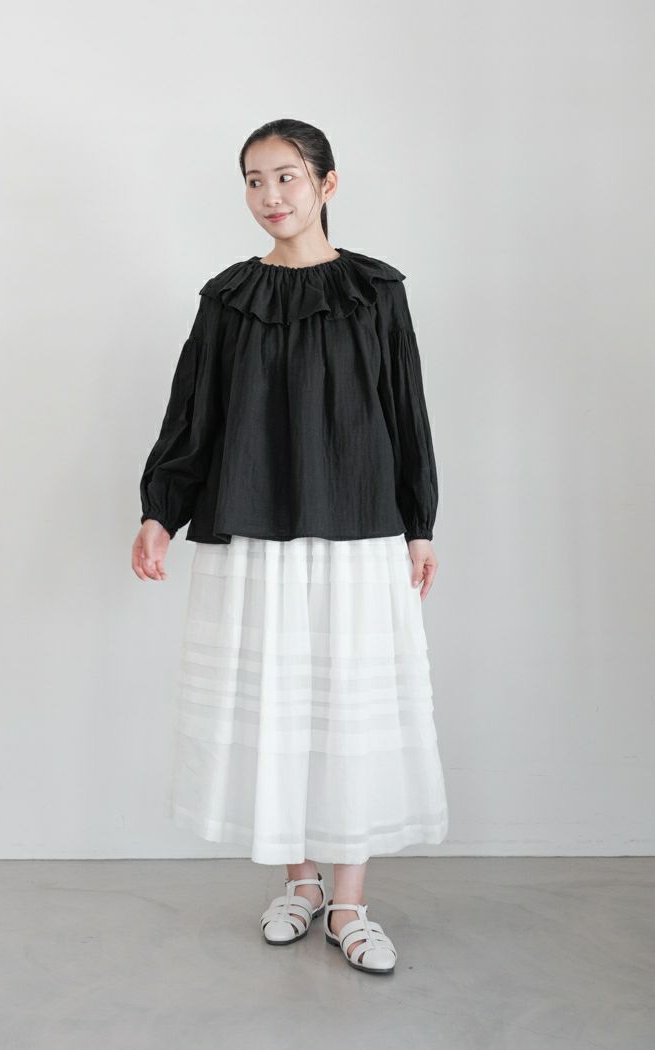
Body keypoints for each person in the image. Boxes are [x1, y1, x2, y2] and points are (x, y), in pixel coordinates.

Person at [131, 118, 449, 975]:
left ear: (327, 184)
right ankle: (299, 882)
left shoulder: (377, 291)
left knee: (347, 707)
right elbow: (193, 415)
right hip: (255, 527)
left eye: (286, 176)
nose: (270, 195)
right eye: (254, 179)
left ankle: (350, 902)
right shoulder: (228, 297)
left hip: (358, 526)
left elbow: (405, 408)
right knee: (280, 706)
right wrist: (161, 512)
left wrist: (420, 523)